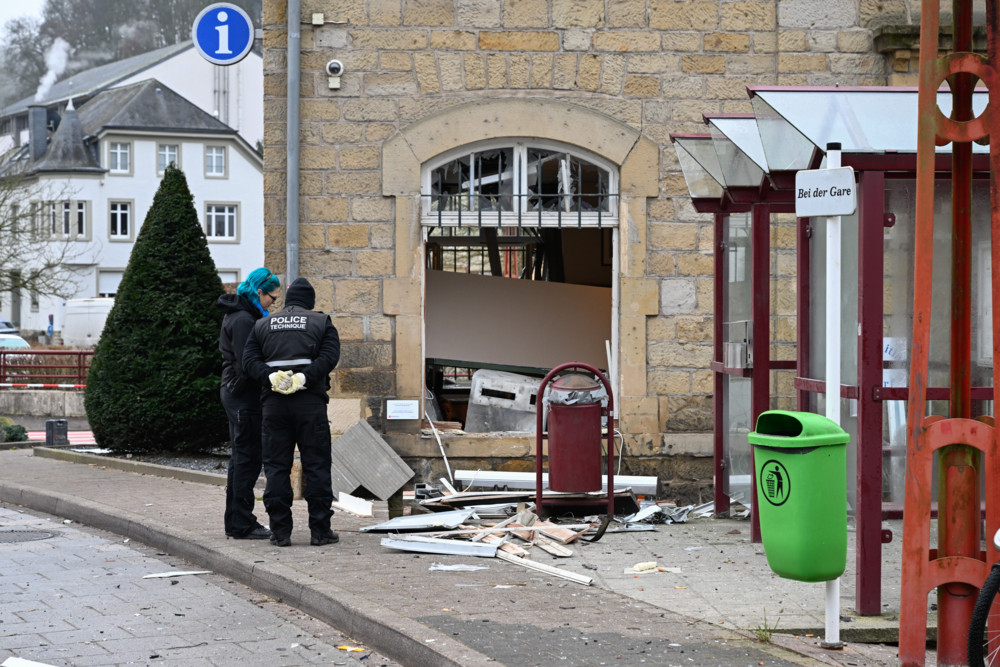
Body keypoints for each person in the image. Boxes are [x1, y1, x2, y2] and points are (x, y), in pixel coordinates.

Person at [243, 277, 341, 547]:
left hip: (274, 405)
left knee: (276, 467)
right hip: (310, 404)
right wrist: (303, 378)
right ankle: (320, 531)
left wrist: (271, 377)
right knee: (317, 466)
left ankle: (280, 532)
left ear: (287, 300)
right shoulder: (321, 322)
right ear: (310, 302)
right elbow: (329, 357)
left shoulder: (262, 324)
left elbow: (248, 360)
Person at [217, 268, 282, 540]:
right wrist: (274, 378)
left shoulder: (243, 314)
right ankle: (242, 523)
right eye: (271, 297)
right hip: (242, 395)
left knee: (241, 459)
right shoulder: (244, 319)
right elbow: (247, 364)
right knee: (248, 459)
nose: (273, 302)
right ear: (258, 291)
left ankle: (236, 522)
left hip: (237, 393)